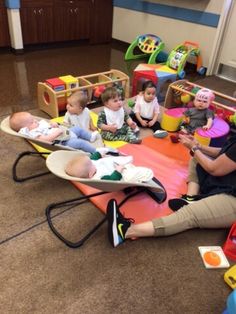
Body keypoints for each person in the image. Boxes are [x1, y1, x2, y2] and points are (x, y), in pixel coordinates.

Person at [106, 133, 236, 247]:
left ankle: (126, 231)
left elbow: (215, 169)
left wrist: (194, 147)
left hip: (232, 196)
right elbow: (224, 152)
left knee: (189, 215)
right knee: (196, 158)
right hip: (227, 180)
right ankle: (190, 198)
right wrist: (199, 146)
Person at [9, 111, 109, 154]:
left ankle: (90, 136)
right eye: (32, 122)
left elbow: (50, 126)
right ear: (25, 129)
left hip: (65, 133)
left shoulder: (37, 125)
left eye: (34, 119)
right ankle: (95, 151)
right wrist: (56, 133)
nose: (35, 121)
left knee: (78, 129)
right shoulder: (34, 133)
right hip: (63, 142)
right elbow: (46, 139)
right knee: (80, 143)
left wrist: (53, 125)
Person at [65, 152, 153, 182]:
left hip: (114, 164)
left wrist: (99, 154)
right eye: (91, 164)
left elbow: (93, 159)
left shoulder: (90, 167)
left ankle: (128, 165)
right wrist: (118, 171)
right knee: (148, 172)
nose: (93, 162)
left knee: (107, 154)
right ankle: (140, 175)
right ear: (91, 174)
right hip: (121, 174)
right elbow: (112, 180)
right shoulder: (100, 177)